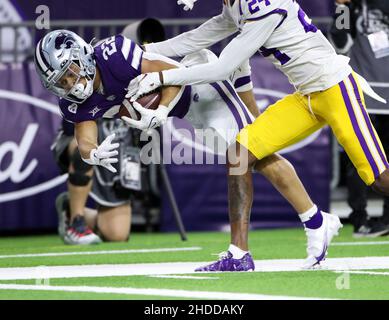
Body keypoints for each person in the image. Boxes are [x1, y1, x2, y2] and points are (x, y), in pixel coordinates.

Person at [34, 28, 339, 272]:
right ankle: (310, 223)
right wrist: (92, 153)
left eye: (71, 72)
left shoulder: (114, 56)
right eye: (61, 81)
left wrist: (162, 109)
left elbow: (172, 75)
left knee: (247, 155)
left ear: (83, 56)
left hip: (200, 82)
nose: (71, 84)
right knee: (251, 159)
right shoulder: (75, 101)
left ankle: (261, 244)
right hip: (191, 110)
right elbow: (85, 134)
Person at [127, 0, 389, 270]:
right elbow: (197, 38)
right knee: (239, 154)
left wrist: (162, 78)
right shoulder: (237, 6)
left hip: (335, 89)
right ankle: (240, 255)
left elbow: (222, 68)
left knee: (380, 179)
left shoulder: (265, 5)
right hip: (305, 97)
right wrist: (143, 52)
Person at [330, 0, 389, 237]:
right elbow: (339, 40)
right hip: (366, 92)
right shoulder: (353, 6)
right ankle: (360, 218)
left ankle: (386, 219)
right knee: (360, 157)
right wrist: (342, 8)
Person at [52, 118, 134, 244]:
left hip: (121, 136)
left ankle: (69, 208)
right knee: (82, 152)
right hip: (82, 131)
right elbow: (73, 118)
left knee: (117, 235)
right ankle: (76, 220)